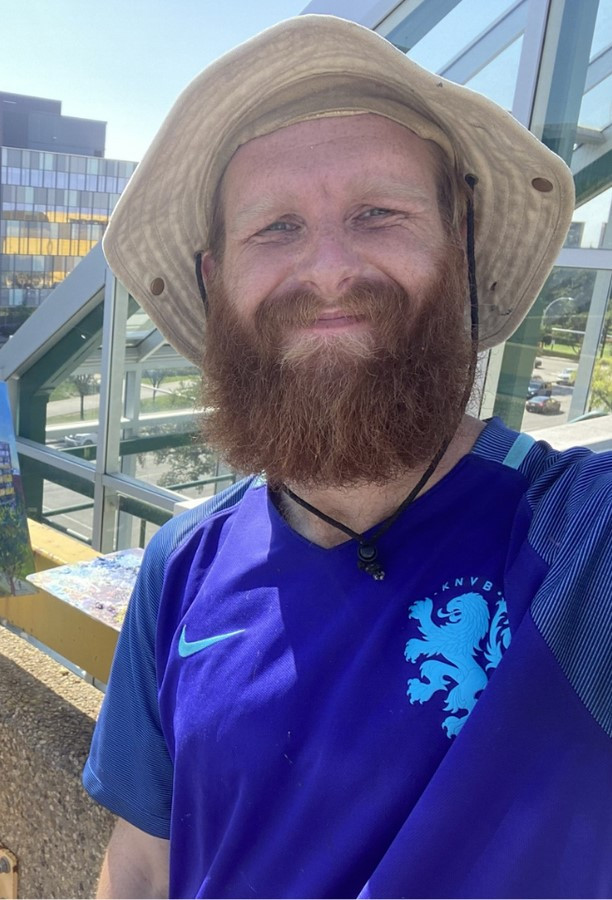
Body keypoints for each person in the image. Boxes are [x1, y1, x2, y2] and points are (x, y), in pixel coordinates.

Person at [83, 15, 612, 900]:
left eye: (379, 213)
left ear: (461, 247)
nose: (328, 271)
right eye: (276, 227)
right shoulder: (182, 564)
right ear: (217, 284)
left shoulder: (582, 546)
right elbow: (140, 860)